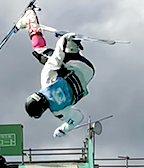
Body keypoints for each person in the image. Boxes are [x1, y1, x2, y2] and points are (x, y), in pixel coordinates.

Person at [16, 8, 95, 137]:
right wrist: (63, 40)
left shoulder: (59, 111)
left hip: (89, 72)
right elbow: (57, 57)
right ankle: (30, 19)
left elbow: (78, 117)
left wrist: (63, 129)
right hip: (76, 64)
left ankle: (72, 48)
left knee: (59, 68)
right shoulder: (46, 81)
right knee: (40, 52)